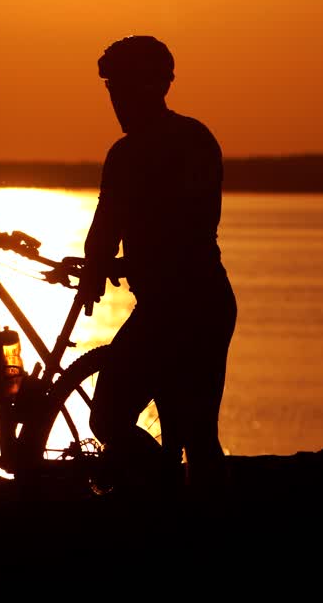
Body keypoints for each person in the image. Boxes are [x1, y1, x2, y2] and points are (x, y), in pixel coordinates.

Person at [76, 35, 237, 499]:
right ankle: (160, 486)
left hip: (199, 307)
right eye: (112, 90)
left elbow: (192, 225)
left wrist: (119, 260)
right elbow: (106, 223)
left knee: (195, 433)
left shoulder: (191, 140)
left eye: (125, 88)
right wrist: (96, 265)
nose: (117, 101)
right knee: (108, 416)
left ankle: (185, 502)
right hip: (159, 311)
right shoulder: (123, 155)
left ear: (157, 87)